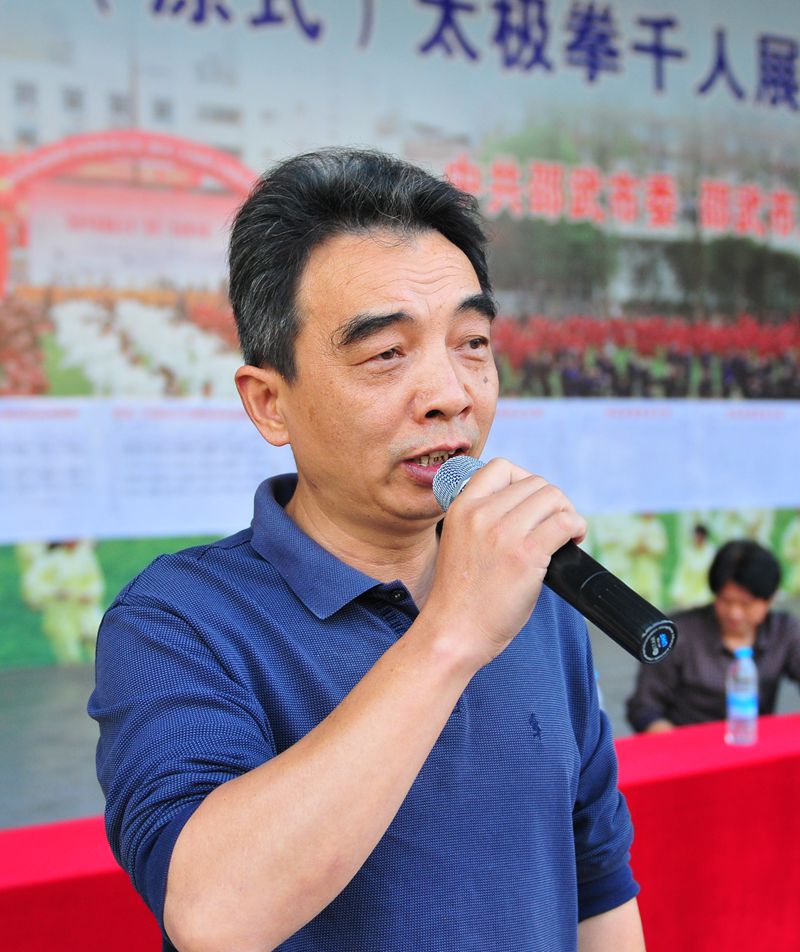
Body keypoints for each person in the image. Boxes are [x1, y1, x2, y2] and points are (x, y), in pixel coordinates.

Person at [89, 148, 644, 952]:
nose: (450, 395)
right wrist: (452, 634)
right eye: (387, 353)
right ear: (269, 403)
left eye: (472, 342)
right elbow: (213, 915)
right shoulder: (179, 622)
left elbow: (599, 890)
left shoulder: (537, 599)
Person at [627, 539, 800, 734]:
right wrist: (677, 743)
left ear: (771, 599)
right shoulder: (677, 634)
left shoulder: (784, 631)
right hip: (688, 744)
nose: (734, 613)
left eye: (746, 604)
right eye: (726, 600)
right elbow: (644, 708)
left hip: (752, 741)